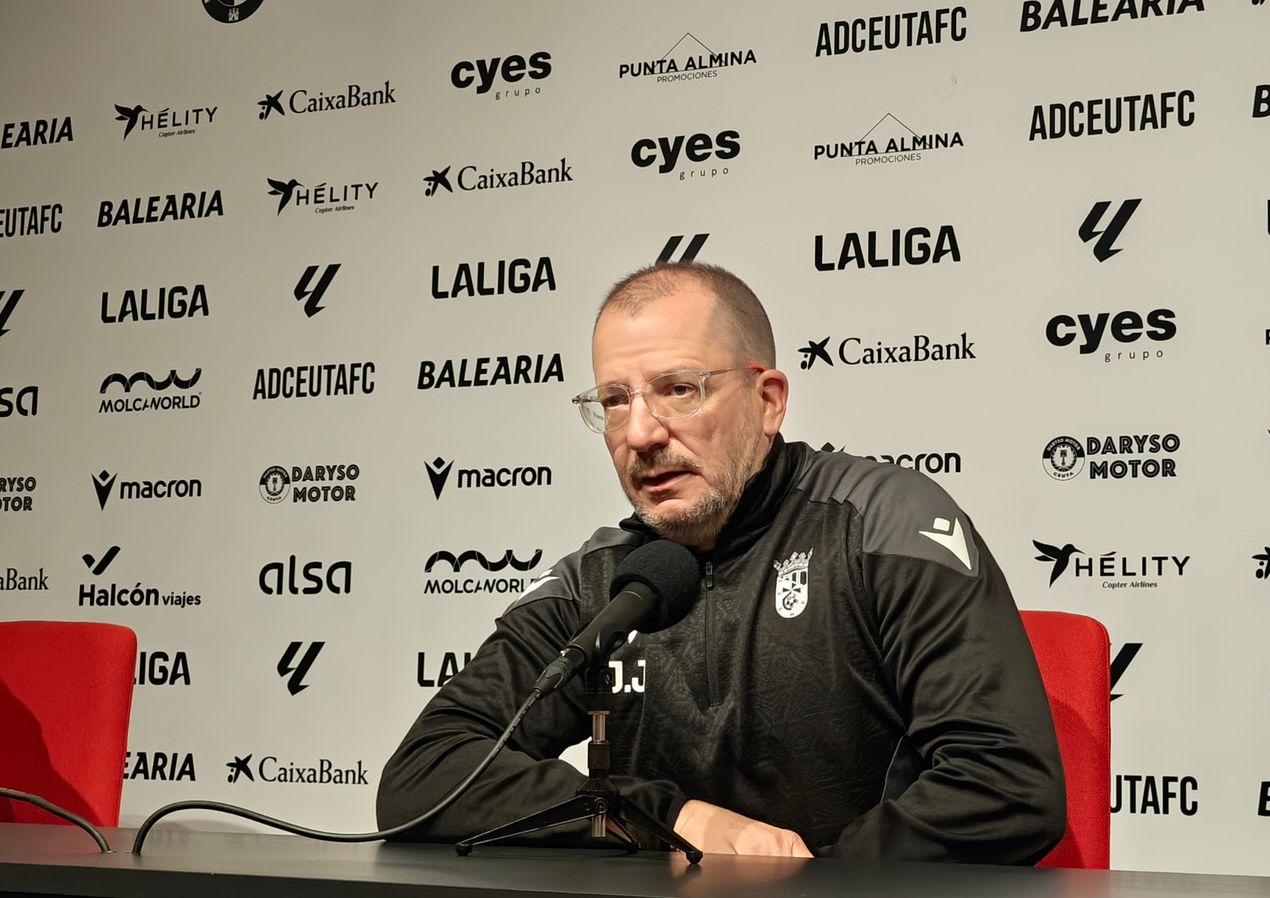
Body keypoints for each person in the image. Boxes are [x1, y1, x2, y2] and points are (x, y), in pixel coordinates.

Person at [376, 262, 1065, 863]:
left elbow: (1006, 785)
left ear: (768, 403)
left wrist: (808, 882)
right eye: (615, 402)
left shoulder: (882, 523)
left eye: (679, 388)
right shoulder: (600, 580)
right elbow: (425, 776)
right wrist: (662, 819)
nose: (640, 433)